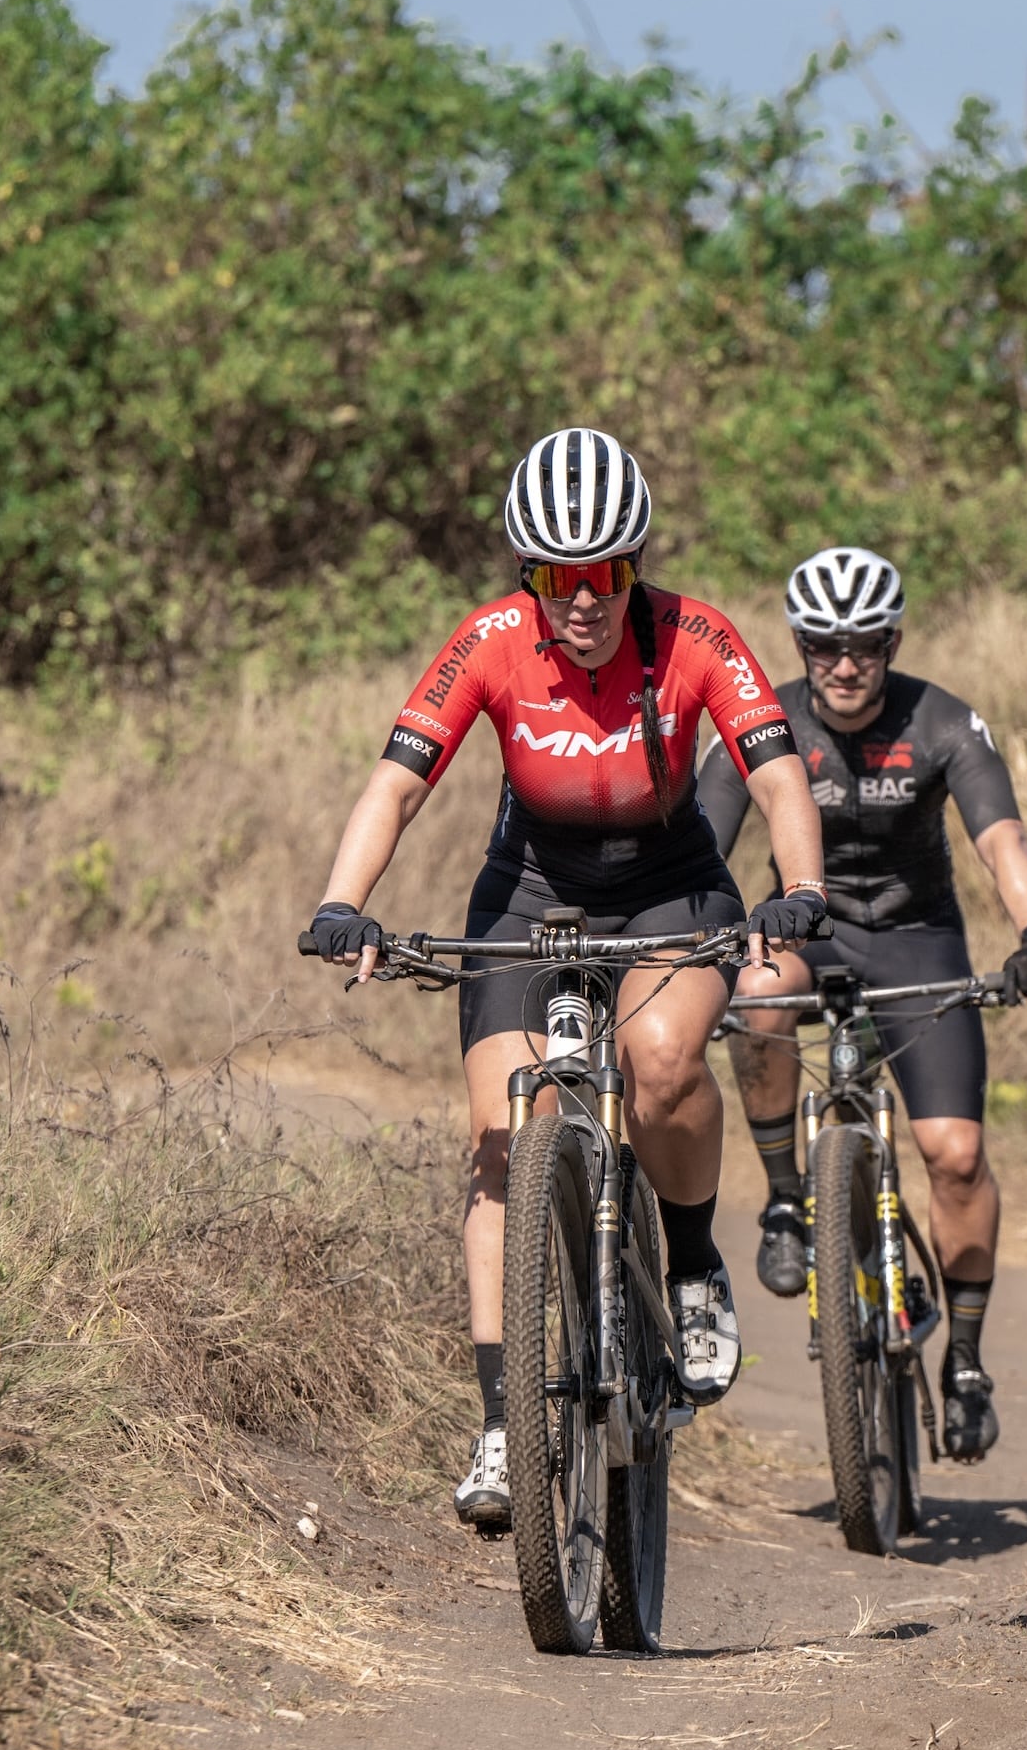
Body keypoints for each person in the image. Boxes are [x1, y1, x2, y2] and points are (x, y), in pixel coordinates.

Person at [300, 426, 831, 1535]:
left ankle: (689, 1271)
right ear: (527, 575)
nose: (583, 599)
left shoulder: (696, 635)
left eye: (607, 575)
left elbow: (777, 775)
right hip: (529, 892)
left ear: (634, 570)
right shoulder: (490, 640)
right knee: (501, 1139)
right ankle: (504, 1426)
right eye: (557, 577)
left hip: (671, 890)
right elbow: (394, 786)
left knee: (665, 1058)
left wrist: (800, 888)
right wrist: (342, 901)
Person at [703, 545, 1027, 1460]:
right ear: (802, 646)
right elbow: (705, 837)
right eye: (824, 647)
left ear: (892, 642)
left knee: (955, 1153)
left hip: (918, 939)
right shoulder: (764, 717)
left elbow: (1002, 837)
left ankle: (968, 1360)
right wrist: (696, 935)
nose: (846, 665)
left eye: (866, 645)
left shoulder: (942, 720)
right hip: (804, 925)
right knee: (756, 997)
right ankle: (788, 1198)